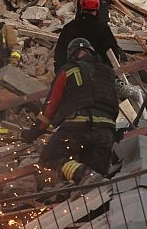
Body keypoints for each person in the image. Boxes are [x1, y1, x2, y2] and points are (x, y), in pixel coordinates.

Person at [21, 38, 118, 185]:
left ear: (72, 54)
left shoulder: (68, 70)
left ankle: (82, 173)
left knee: (49, 156)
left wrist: (35, 131)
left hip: (79, 127)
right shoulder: (107, 72)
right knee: (96, 182)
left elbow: (51, 106)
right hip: (106, 131)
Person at [54, 0, 125, 72]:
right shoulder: (103, 29)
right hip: (98, 77)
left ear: (80, 6)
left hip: (72, 76)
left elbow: (59, 56)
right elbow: (114, 56)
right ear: (98, 7)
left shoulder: (69, 28)